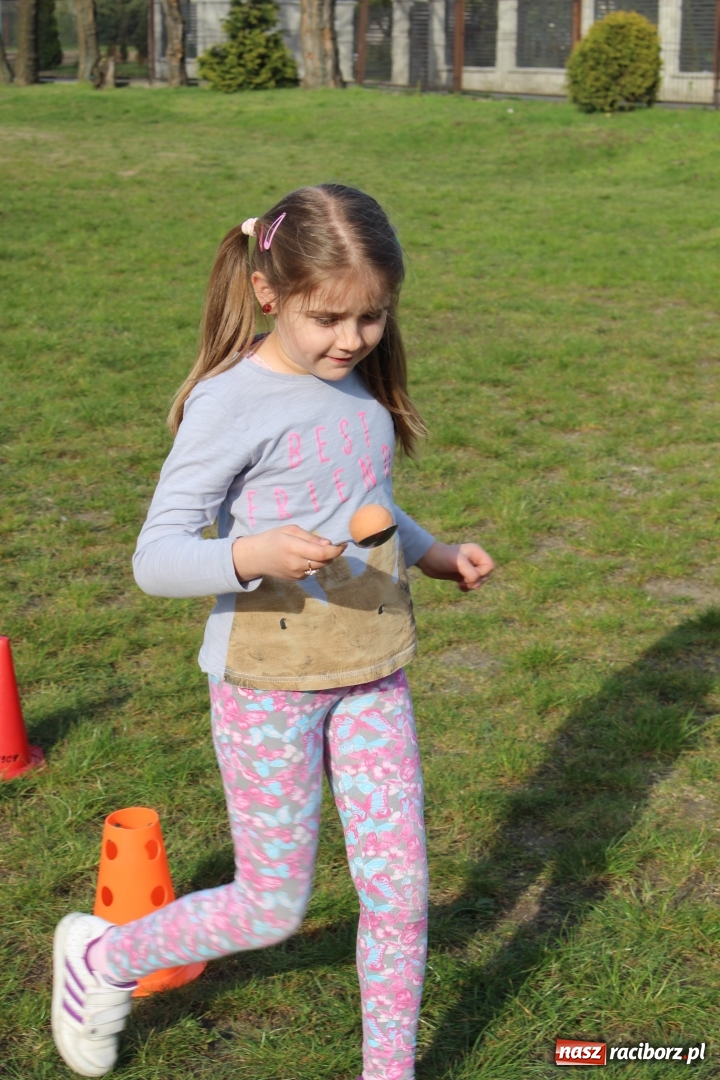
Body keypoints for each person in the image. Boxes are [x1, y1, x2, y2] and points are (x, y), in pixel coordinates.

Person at [51, 183, 494, 1080]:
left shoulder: (355, 380)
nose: (353, 339)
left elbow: (363, 499)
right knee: (271, 906)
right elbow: (154, 559)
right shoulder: (231, 403)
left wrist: (433, 552)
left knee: (401, 895)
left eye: (371, 317)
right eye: (328, 318)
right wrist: (250, 553)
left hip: (372, 670)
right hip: (270, 686)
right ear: (267, 293)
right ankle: (102, 958)